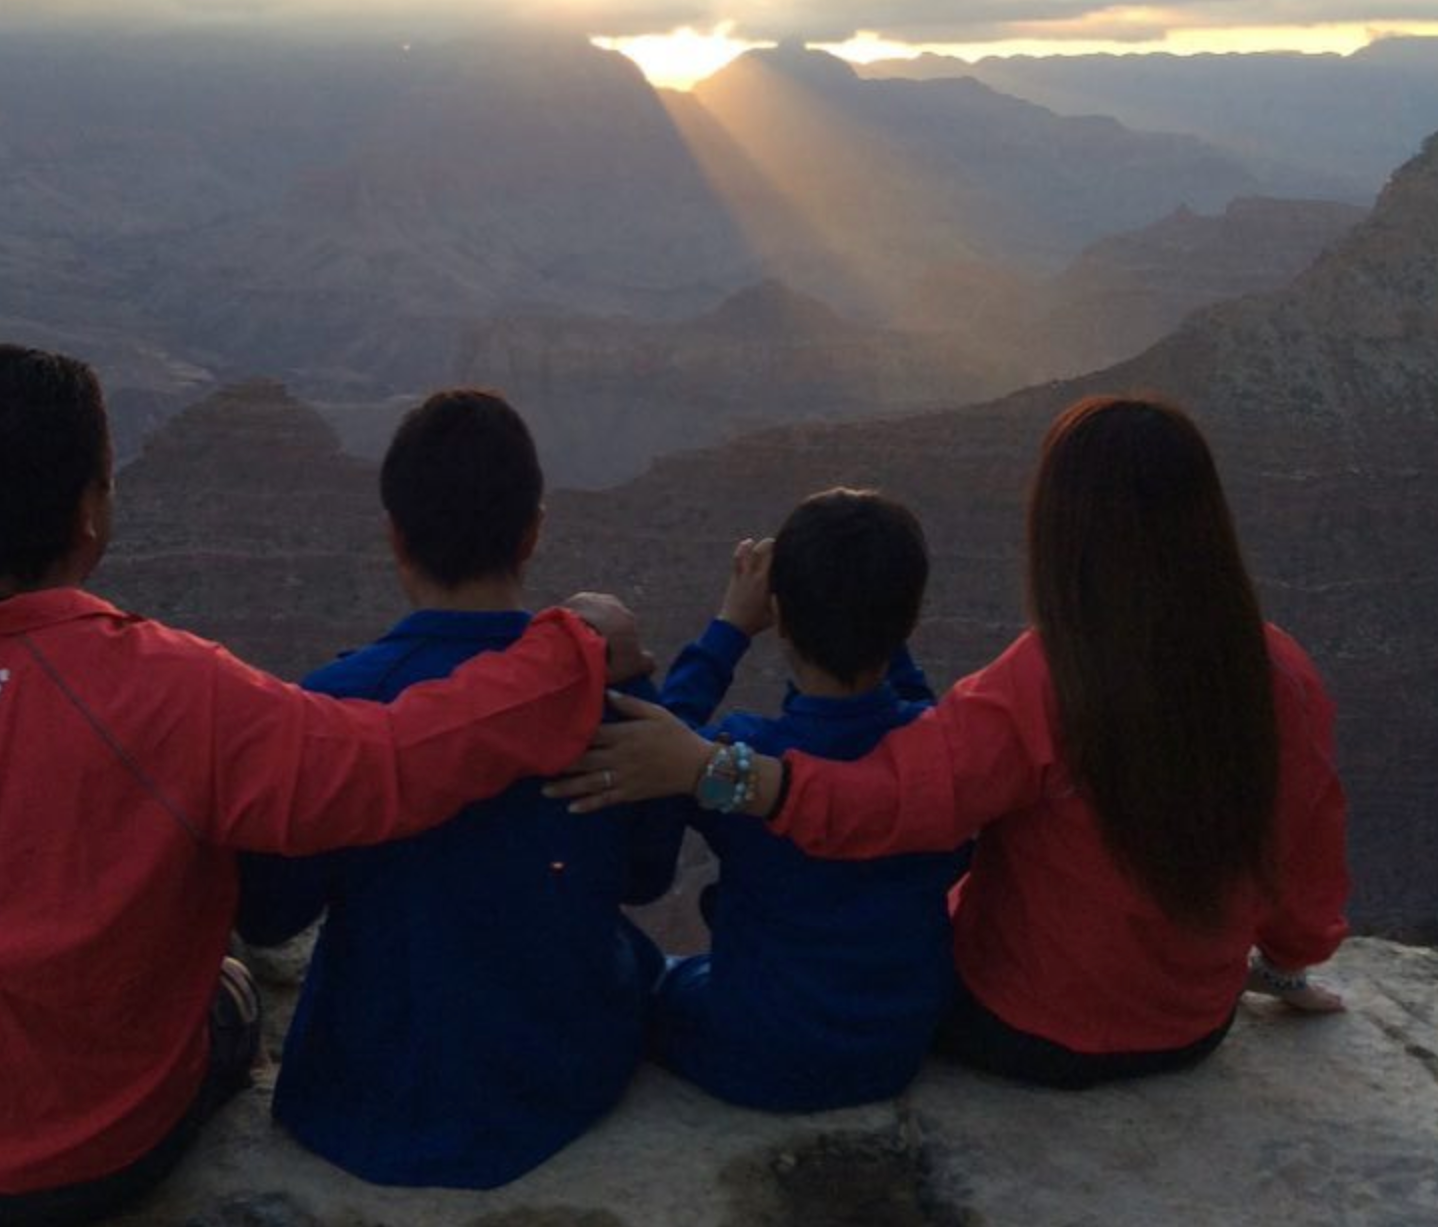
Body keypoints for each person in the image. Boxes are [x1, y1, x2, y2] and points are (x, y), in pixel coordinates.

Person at [0, 346, 646, 1226]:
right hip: (89, 1160)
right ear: (90, 512)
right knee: (227, 993)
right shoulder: (178, 695)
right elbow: (390, 761)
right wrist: (566, 653)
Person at [552, 395, 1349, 1088]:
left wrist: (708, 766)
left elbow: (891, 801)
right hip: (1192, 1028)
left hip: (1027, 1032)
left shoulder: (1049, 680)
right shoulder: (1282, 673)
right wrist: (1288, 963)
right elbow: (1306, 842)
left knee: (653, 986)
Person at [236, 388, 674, 1188]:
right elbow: (647, 874)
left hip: (365, 1102)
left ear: (395, 537)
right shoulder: (608, 695)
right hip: (563, 1082)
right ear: (534, 532)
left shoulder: (333, 709)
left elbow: (272, 911)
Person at [648, 492, 968, 1110]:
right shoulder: (944, 756)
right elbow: (923, 710)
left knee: (644, 973)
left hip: (757, 1055)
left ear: (780, 618)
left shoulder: (743, 760)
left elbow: (660, 750)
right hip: (895, 1047)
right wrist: (874, 611)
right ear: (908, 622)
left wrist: (729, 628)